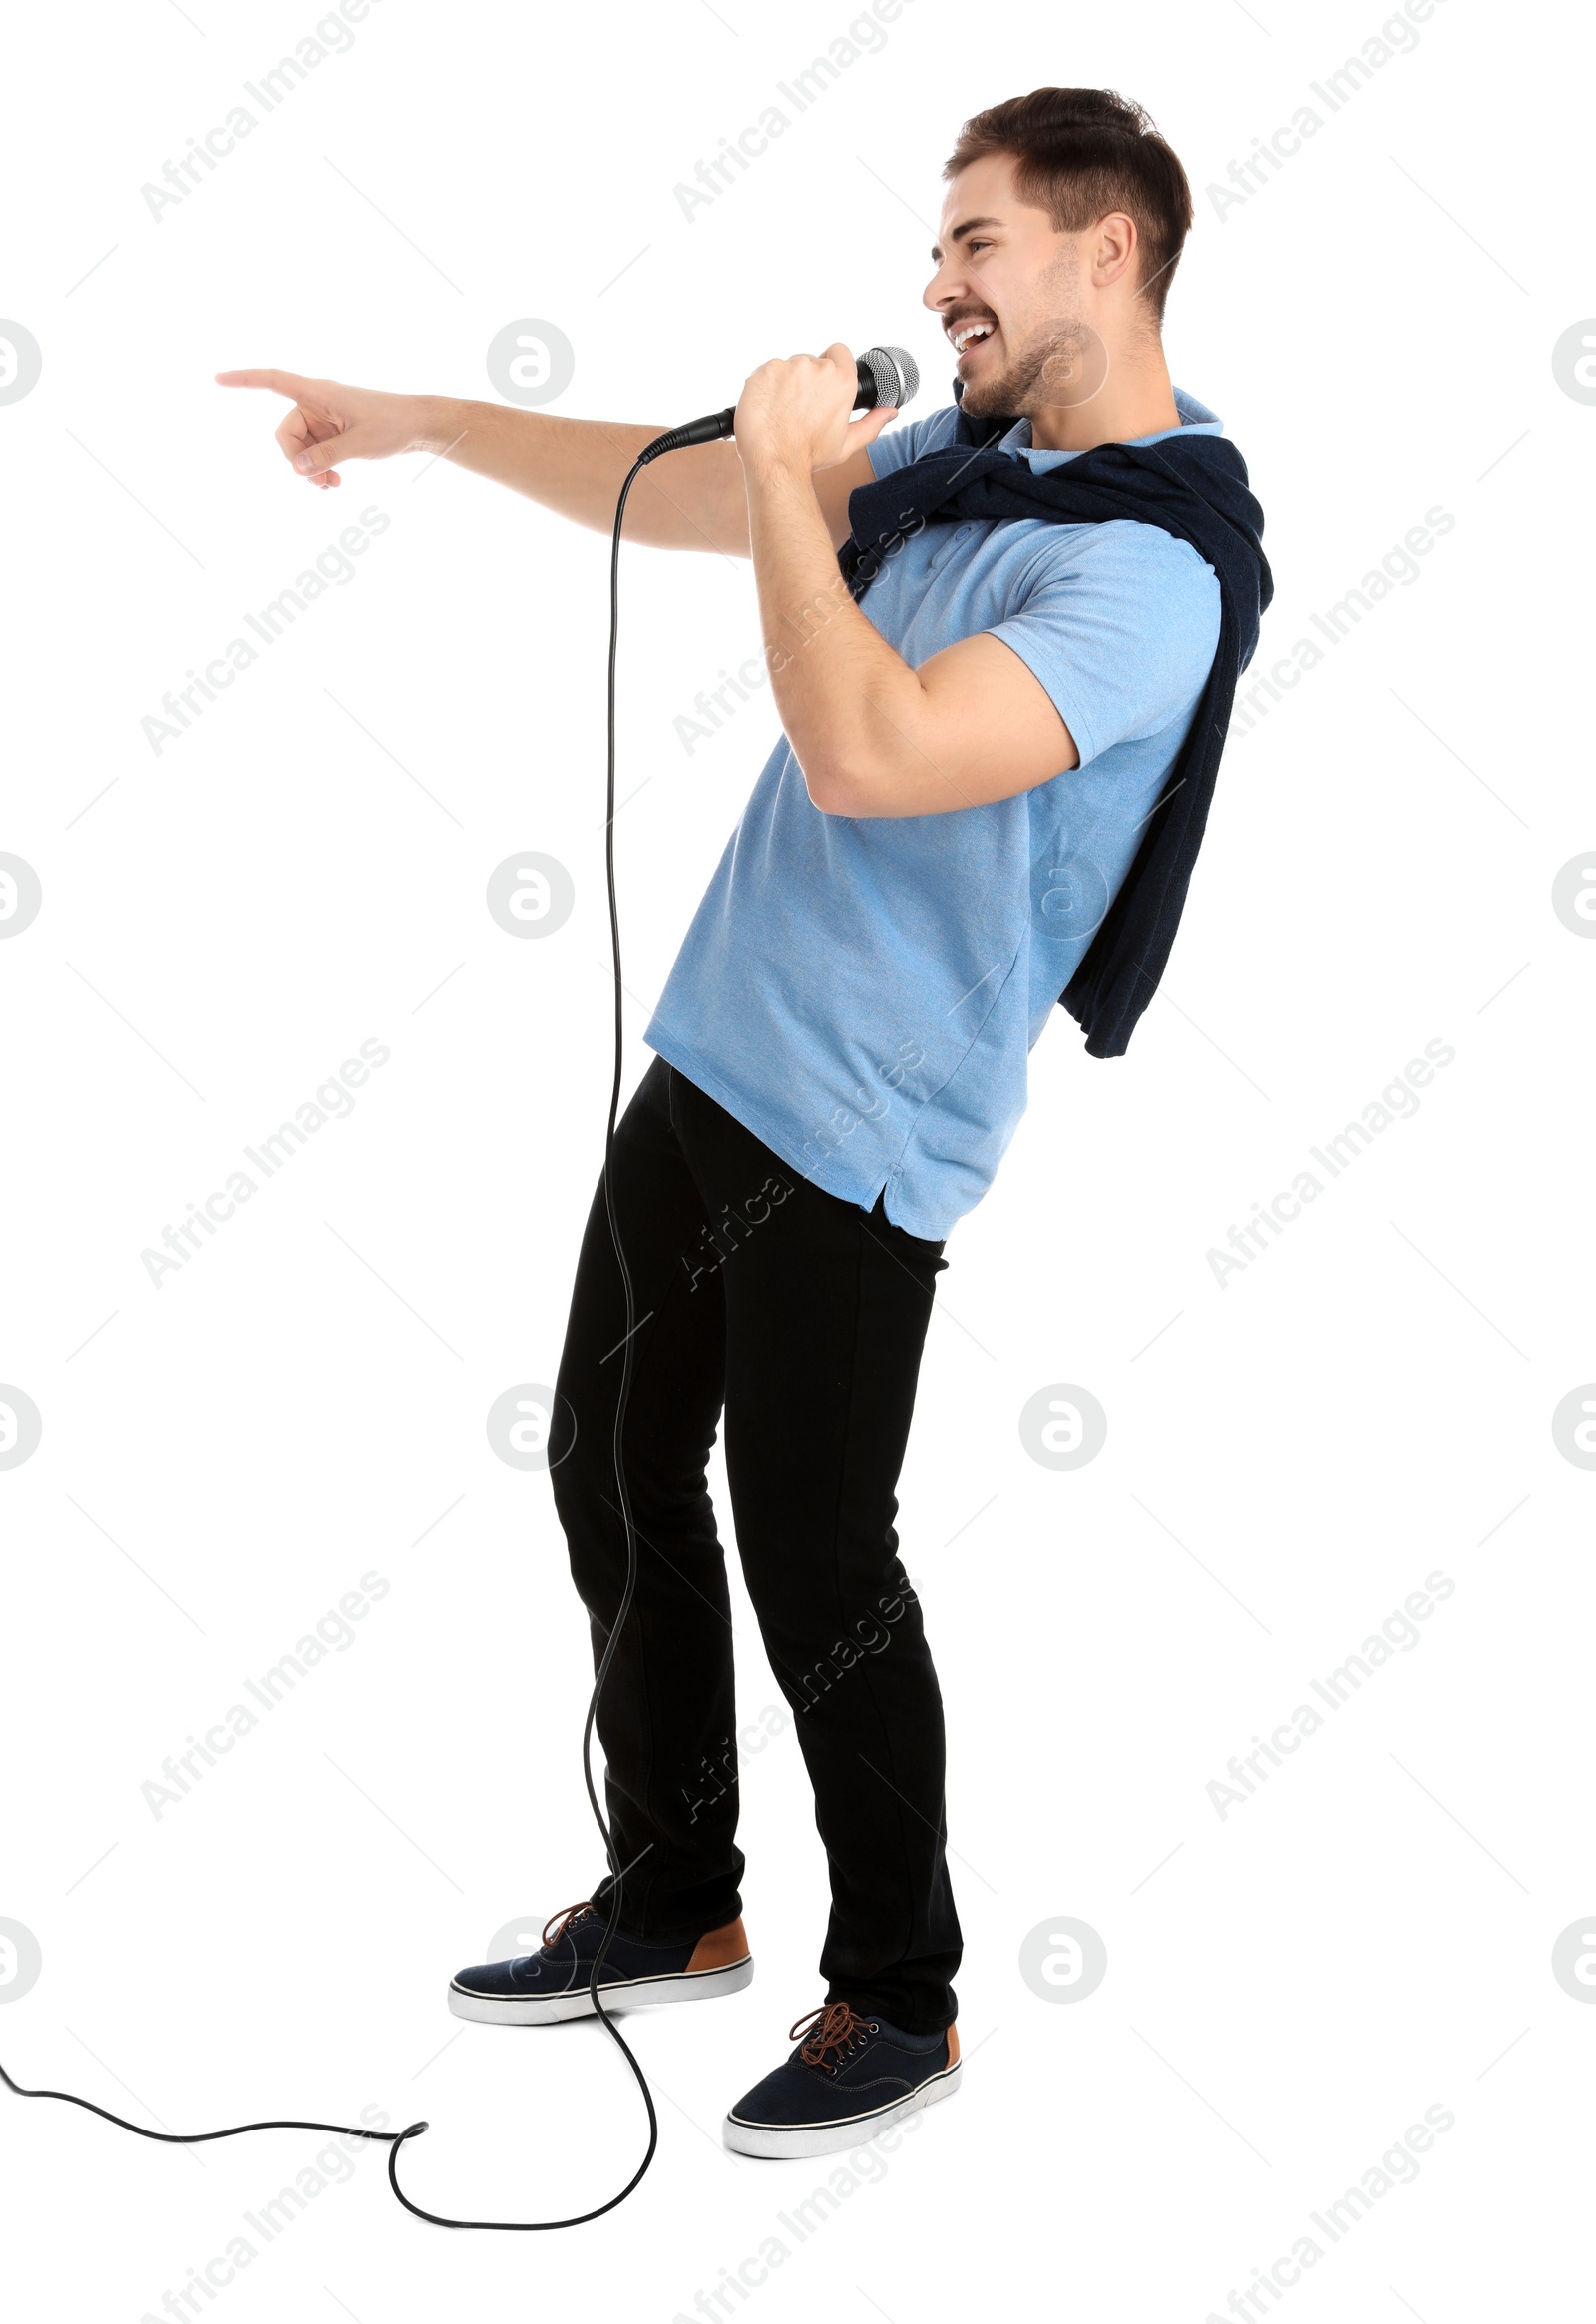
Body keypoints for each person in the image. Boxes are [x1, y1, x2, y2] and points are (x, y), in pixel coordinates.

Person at [220, 85, 1252, 2161]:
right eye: (933, 242)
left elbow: (870, 754)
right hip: (712, 1061)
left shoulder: (1153, 564)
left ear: (1105, 253)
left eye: (973, 241)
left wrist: (797, 483)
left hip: (861, 1123)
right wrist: (422, 414)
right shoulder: (961, 464)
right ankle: (676, 1897)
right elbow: (659, 486)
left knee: (813, 1552)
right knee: (607, 1461)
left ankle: (898, 1991)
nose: (933, 280)